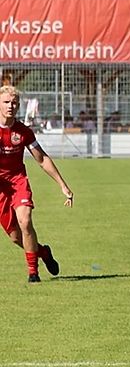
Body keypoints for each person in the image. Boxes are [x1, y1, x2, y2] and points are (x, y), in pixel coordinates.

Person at [0, 85, 73, 282]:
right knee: (16, 238)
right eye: (6, 102)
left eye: (14, 103)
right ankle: (44, 253)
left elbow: (42, 159)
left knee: (25, 221)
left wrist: (62, 185)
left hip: (17, 181)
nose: (10, 106)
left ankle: (33, 273)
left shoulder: (23, 132)